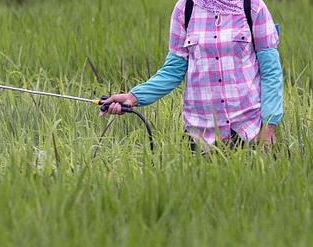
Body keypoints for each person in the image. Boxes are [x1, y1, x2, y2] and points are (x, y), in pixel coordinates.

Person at [101, 0, 283, 148]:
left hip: (248, 133)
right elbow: (173, 71)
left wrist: (268, 129)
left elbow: (271, 73)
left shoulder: (252, 7)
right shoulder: (185, 9)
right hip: (200, 137)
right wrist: (133, 97)